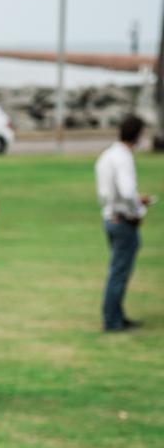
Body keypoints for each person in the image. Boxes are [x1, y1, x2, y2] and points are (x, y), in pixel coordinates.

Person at [96, 115, 151, 331]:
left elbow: (106, 191)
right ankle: (112, 320)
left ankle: (117, 315)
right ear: (137, 135)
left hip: (110, 215)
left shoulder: (107, 155)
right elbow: (127, 191)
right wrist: (138, 209)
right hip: (122, 220)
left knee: (117, 270)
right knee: (119, 272)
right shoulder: (123, 157)